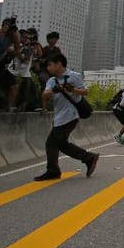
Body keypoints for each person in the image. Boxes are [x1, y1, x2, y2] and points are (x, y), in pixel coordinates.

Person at [34, 53, 99, 181]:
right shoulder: (52, 80)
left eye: (50, 64)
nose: (48, 67)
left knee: (52, 142)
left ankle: (53, 171)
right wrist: (54, 90)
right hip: (59, 117)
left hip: (71, 115)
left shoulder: (74, 76)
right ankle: (88, 158)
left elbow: (85, 92)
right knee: (59, 143)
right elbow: (44, 95)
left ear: (59, 64)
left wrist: (72, 89)